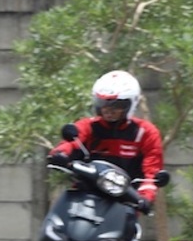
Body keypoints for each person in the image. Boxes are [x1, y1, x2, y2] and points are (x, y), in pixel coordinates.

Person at [47, 69, 164, 214]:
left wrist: (145, 198)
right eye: (102, 102)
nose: (108, 109)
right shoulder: (88, 126)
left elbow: (151, 172)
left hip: (126, 203)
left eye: (117, 105)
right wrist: (60, 154)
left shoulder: (145, 132)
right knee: (55, 226)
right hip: (84, 196)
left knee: (129, 234)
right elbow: (70, 143)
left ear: (131, 103)